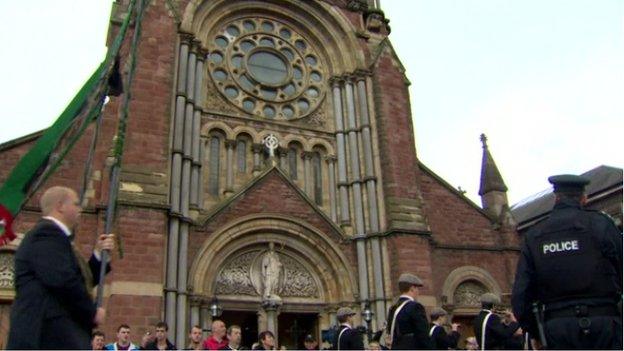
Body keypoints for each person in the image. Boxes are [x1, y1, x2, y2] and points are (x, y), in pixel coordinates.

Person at [512, 174, 623, 349]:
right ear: (584, 198)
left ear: (556, 198)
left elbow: (521, 294)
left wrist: (535, 331)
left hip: (557, 328)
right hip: (605, 322)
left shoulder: (534, 235)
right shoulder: (601, 224)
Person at [6, 186, 114, 349]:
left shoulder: (56, 239)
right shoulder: (46, 234)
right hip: (44, 338)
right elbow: (63, 281)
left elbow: (78, 280)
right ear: (60, 206)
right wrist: (92, 312)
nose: (80, 209)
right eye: (76, 204)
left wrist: (99, 255)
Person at [385, 273, 433, 349]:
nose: (418, 292)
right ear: (412, 288)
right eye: (417, 288)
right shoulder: (415, 307)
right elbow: (423, 335)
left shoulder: (393, 309)